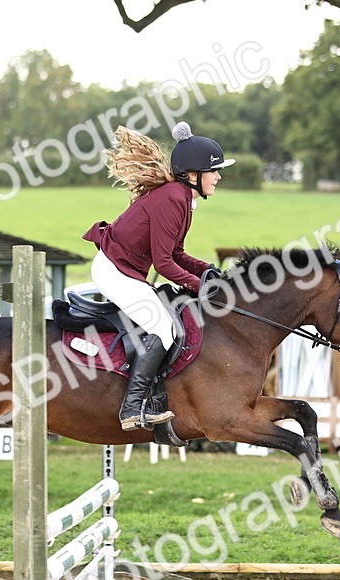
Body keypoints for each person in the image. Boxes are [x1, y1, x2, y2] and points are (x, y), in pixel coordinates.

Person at [82, 121, 234, 430]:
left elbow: (176, 254)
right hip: (113, 271)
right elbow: (164, 265)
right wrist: (200, 287)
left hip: (126, 270)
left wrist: (208, 271)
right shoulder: (172, 199)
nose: (218, 176)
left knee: (169, 322)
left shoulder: (184, 200)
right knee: (163, 328)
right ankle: (132, 406)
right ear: (193, 175)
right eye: (214, 170)